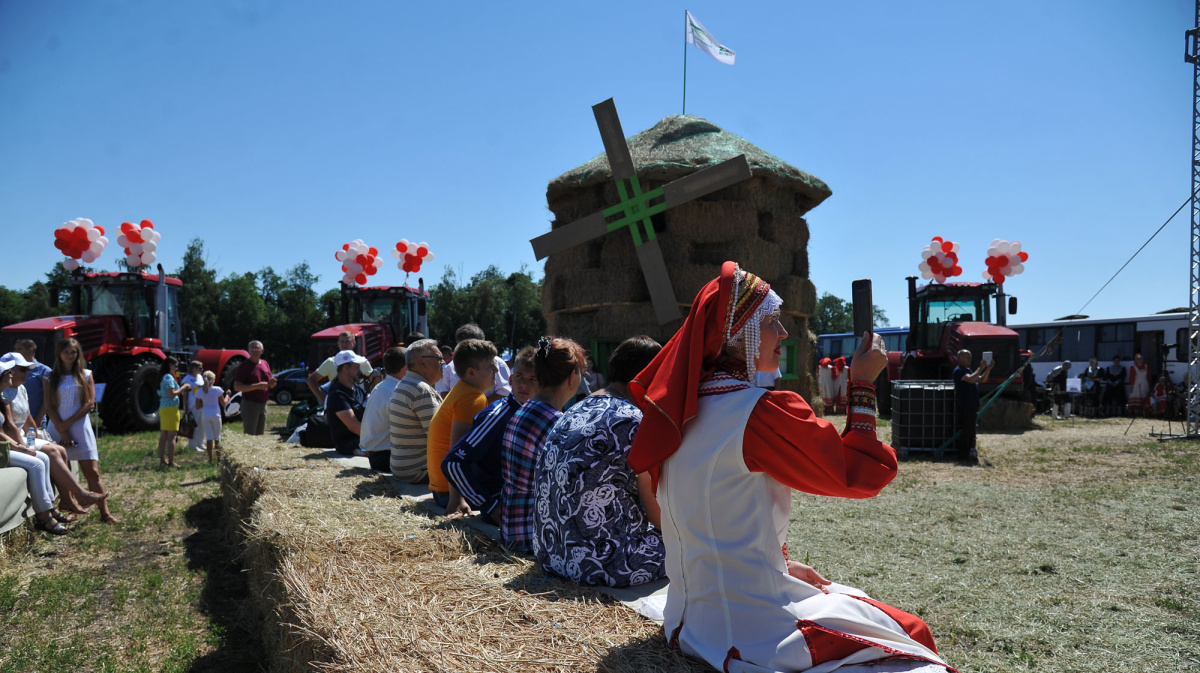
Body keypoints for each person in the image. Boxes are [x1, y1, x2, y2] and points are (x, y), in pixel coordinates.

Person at [627, 262, 950, 672]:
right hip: (750, 630)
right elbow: (858, 474)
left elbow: (710, 523)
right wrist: (863, 382)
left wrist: (778, 566)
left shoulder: (681, 413)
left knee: (853, 600)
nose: (783, 334)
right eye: (771, 322)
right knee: (914, 634)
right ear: (736, 334)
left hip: (687, 620)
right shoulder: (756, 413)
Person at [533, 335, 665, 588]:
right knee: (693, 545)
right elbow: (657, 515)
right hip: (601, 565)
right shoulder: (632, 420)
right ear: (649, 379)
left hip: (552, 555)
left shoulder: (573, 411)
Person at [500, 336, 585, 552]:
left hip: (513, 527)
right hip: (535, 537)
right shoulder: (557, 423)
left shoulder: (524, 409)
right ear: (572, 377)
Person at [0, 352, 106, 517]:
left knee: (59, 450)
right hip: (13, 438)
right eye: (23, 369)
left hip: (21, 435)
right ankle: (76, 496)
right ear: (10, 371)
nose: (27, 373)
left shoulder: (21, 388)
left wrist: (36, 434)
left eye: (27, 370)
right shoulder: (4, 393)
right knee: (51, 453)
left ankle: (67, 499)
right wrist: (24, 446)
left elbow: (28, 417)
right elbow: (11, 426)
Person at [441, 346, 537, 524]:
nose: (524, 384)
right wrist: (489, 505)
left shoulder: (536, 413)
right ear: (510, 379)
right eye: (519, 377)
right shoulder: (498, 415)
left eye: (533, 379)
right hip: (504, 505)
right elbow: (453, 463)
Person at [45, 338, 119, 523]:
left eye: (73, 352)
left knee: (92, 472)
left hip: (79, 425)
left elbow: (89, 403)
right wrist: (61, 429)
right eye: (66, 352)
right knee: (66, 471)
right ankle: (72, 508)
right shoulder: (50, 377)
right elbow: (49, 406)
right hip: (57, 426)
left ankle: (105, 513)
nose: (70, 355)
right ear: (59, 354)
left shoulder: (86, 375)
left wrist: (67, 424)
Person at [0, 358, 72, 535]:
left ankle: (49, 508)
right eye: (9, 373)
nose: (12, 374)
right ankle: (44, 516)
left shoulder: (2, 398)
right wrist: (19, 446)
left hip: (5, 445)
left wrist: (21, 445)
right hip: (2, 447)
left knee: (43, 458)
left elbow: (8, 427)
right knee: (37, 463)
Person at [426, 339, 497, 513]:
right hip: (449, 494)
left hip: (440, 489)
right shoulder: (472, 399)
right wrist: (457, 500)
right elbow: (456, 452)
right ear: (471, 372)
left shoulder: (461, 390)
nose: (496, 370)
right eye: (490, 366)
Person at [387, 339, 443, 482]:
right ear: (422, 362)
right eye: (439, 358)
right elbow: (438, 437)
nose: (443, 363)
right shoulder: (421, 389)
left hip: (402, 469)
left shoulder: (404, 383)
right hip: (418, 471)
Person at [436, 323, 512, 403]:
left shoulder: (497, 363)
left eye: (474, 347)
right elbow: (444, 391)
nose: (468, 351)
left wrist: (478, 407)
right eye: (463, 347)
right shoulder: (451, 366)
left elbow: (505, 393)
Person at [359, 347, 406, 472]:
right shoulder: (396, 391)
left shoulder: (381, 387)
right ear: (406, 369)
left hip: (377, 456)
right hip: (386, 458)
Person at [307, 331, 374, 407]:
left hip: (359, 404)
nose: (344, 344)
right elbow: (311, 380)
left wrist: (371, 398)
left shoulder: (362, 361)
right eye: (342, 342)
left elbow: (374, 379)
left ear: (354, 344)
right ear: (338, 344)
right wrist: (324, 399)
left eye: (347, 341)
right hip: (338, 404)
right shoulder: (330, 362)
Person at [325, 350, 369, 457]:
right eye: (357, 367)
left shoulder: (357, 389)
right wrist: (377, 438)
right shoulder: (337, 395)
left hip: (364, 440)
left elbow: (372, 403)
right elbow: (353, 426)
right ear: (345, 368)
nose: (360, 371)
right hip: (350, 446)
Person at [953, 349, 992, 458]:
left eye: (970, 357)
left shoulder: (968, 370)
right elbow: (970, 379)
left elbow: (981, 379)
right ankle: (963, 453)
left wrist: (988, 369)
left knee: (971, 429)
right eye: (967, 357)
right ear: (960, 358)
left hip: (972, 404)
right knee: (967, 429)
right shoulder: (959, 370)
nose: (970, 359)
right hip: (965, 404)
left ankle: (969, 450)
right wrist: (981, 368)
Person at [234, 340, 275, 435]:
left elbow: (270, 383)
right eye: (252, 348)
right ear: (248, 350)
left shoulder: (265, 364)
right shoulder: (244, 366)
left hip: (263, 403)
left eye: (257, 348)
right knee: (250, 435)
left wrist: (272, 383)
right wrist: (257, 386)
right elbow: (237, 387)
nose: (254, 350)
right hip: (250, 404)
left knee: (260, 435)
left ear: (262, 350)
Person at [157, 356, 191, 467]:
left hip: (163, 408)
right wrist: (183, 388)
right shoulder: (169, 377)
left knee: (164, 436)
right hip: (171, 409)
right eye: (176, 365)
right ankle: (171, 461)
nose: (177, 368)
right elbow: (171, 394)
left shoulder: (162, 377)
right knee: (172, 436)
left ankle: (163, 459)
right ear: (170, 365)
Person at [13, 338, 51, 431]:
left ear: (30, 350)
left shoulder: (44, 371)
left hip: (36, 419)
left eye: (19, 349)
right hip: (17, 420)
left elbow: (48, 398)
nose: (15, 352)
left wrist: (38, 419)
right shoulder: (14, 369)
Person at [193, 370, 228, 464]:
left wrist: (204, 404)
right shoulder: (217, 389)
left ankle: (210, 460)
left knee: (209, 438)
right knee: (217, 438)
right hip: (216, 414)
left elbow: (197, 406)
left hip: (205, 414)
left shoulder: (200, 391)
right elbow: (224, 403)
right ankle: (219, 459)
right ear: (212, 380)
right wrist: (228, 395)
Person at [180, 360, 205, 453]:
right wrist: (185, 407)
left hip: (201, 404)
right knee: (194, 425)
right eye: (200, 368)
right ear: (193, 368)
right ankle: (193, 445)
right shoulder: (187, 379)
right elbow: (184, 394)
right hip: (192, 404)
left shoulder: (200, 377)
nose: (202, 369)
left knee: (202, 424)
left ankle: (200, 443)